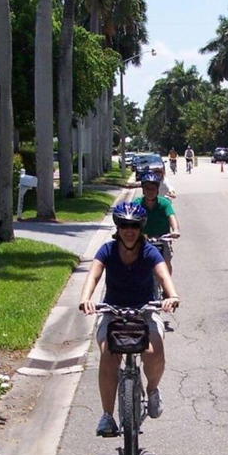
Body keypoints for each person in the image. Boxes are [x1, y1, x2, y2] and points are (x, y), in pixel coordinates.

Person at [79, 203, 180, 436]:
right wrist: (86, 299)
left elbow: (163, 275)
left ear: (140, 227)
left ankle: (153, 390)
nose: (129, 230)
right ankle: (107, 416)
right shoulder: (108, 250)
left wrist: (171, 296)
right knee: (107, 353)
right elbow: (93, 276)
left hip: (145, 310)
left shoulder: (148, 251)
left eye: (134, 225)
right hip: (112, 311)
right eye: (124, 225)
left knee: (154, 351)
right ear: (118, 227)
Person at [133, 172, 181, 273]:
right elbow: (131, 219)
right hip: (143, 238)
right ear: (143, 190)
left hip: (162, 238)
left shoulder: (164, 203)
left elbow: (171, 216)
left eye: (153, 189)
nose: (150, 191)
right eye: (147, 188)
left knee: (166, 260)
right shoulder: (137, 203)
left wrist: (175, 230)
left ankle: (166, 286)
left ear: (157, 190)